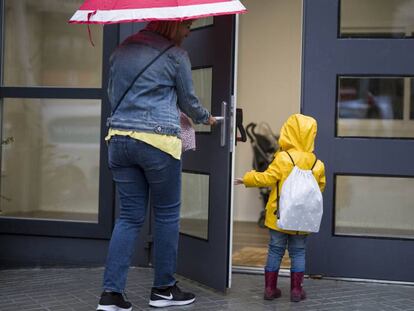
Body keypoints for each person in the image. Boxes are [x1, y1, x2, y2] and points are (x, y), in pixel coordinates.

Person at [96, 20, 216, 311]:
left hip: (119, 140)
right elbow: (188, 101)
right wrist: (205, 118)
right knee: (165, 215)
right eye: (187, 26)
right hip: (157, 142)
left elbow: (113, 95)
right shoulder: (176, 56)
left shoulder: (119, 51)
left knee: (129, 217)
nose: (188, 32)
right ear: (172, 25)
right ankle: (163, 289)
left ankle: (111, 296)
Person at [234, 114, 326, 302]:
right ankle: (296, 291)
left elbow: (266, 178)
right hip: (302, 220)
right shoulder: (317, 164)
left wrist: (247, 179)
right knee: (298, 252)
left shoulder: (283, 158)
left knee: (275, 250)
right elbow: (319, 188)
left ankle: (270, 289)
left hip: (279, 216)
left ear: (289, 133)